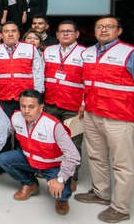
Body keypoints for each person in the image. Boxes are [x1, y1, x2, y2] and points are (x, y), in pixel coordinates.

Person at [74, 15, 134, 223]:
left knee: (122, 164)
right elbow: (86, 83)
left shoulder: (131, 53)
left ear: (119, 30)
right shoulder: (88, 53)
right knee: (96, 157)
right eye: (99, 27)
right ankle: (101, 193)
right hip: (92, 114)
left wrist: (127, 107)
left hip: (119, 117)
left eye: (109, 27)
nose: (103, 30)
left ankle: (120, 208)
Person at [0, 89, 80, 216]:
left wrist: (60, 179)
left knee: (61, 191)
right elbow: (9, 130)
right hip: (29, 160)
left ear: (41, 107)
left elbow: (73, 155)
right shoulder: (16, 117)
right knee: (4, 159)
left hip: (52, 166)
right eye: (23, 106)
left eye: (31, 107)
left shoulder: (53, 125)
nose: (26, 111)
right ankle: (30, 184)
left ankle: (62, 200)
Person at [42, 20, 86, 192]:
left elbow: (88, 82)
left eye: (69, 31)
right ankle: (51, 171)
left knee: (73, 143)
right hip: (51, 102)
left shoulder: (85, 53)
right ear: (57, 35)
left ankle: (72, 177)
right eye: (62, 31)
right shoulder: (49, 51)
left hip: (72, 106)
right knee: (51, 140)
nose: (65, 34)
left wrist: (84, 103)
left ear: (77, 34)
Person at [0, 21, 44, 151]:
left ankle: (22, 159)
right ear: (2, 35)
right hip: (2, 96)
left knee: (24, 129)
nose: (10, 34)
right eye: (7, 31)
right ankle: (3, 159)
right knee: (3, 129)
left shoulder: (30, 49)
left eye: (13, 31)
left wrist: (37, 95)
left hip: (25, 98)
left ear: (19, 34)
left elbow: (38, 72)